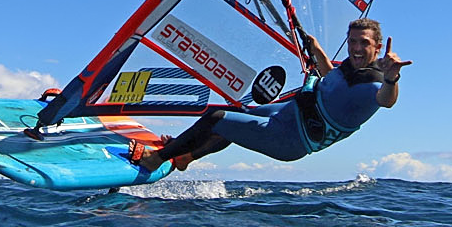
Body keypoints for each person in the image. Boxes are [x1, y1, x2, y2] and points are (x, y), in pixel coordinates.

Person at [132, 17, 410, 172]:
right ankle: (184, 157)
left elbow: (386, 100)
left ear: (377, 47)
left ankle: (155, 159)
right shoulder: (349, 66)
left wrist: (392, 77)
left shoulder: (374, 83)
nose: (356, 48)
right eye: (352, 41)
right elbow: (330, 76)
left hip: (291, 138)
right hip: (286, 113)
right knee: (234, 116)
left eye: (364, 43)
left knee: (215, 118)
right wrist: (316, 49)